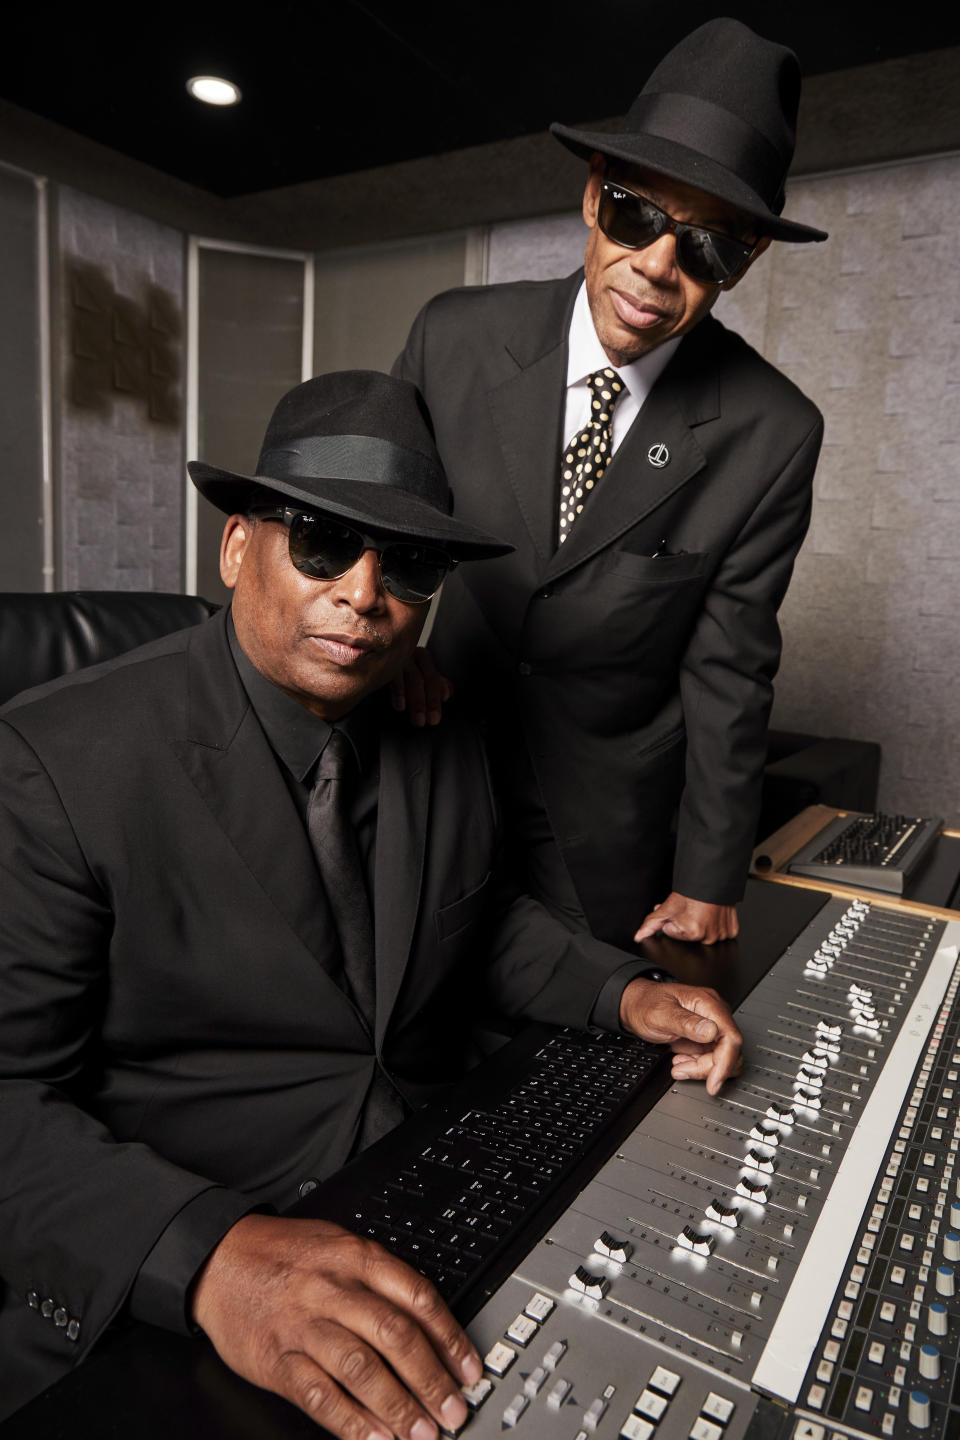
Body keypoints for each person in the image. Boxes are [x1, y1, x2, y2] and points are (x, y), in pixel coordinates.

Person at [0, 371, 742, 1434]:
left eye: (407, 564)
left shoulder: (437, 726)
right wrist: (207, 1257)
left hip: (414, 1190)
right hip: (176, 1258)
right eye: (319, 544)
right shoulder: (53, 760)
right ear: (236, 547)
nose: (363, 592)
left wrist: (625, 993)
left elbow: (479, 926)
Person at [394, 18, 828, 954]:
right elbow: (388, 528)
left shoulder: (775, 432)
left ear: (745, 261)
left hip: (603, 822)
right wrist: (399, 652)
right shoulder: (452, 337)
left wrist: (711, 876)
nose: (658, 269)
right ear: (594, 198)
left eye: (706, 248)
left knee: (585, 1058)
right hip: (428, 756)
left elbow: (731, 666)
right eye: (638, 215)